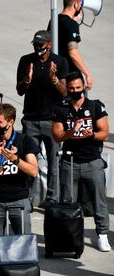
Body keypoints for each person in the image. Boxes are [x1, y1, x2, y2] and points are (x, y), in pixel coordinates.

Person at [52, 71, 111, 252]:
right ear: (67, 89)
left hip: (92, 161)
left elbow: (105, 133)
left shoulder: (95, 106)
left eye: (79, 88)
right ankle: (70, 234)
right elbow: (57, 136)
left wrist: (91, 134)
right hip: (70, 161)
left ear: (84, 87)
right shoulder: (61, 109)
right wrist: (72, 132)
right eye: (72, 88)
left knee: (98, 200)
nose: (76, 91)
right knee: (68, 202)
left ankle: (102, 235)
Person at [0, 103, 38, 271]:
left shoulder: (25, 141)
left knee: (24, 248)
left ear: (10, 122)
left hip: (19, 200)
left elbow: (33, 171)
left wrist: (15, 160)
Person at [16, 30, 68, 203]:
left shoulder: (60, 62)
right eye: (36, 45)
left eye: (41, 45)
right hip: (30, 119)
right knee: (29, 159)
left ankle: (52, 199)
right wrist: (27, 80)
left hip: (52, 120)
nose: (38, 48)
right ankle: (28, 197)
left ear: (49, 45)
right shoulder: (26, 61)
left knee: (54, 162)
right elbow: (19, 90)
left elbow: (65, 92)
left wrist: (54, 79)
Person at [48, 0, 93, 90]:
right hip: (69, 76)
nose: (81, 7)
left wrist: (73, 21)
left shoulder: (53, 20)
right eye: (80, 4)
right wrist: (87, 74)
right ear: (76, 5)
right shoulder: (72, 24)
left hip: (55, 72)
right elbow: (73, 53)